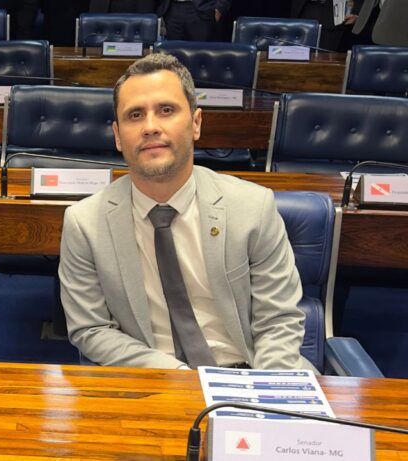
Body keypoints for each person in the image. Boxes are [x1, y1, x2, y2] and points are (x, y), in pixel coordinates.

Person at [58, 53, 313, 371]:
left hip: (252, 369)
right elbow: (91, 329)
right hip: (154, 379)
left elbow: (278, 322)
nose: (150, 127)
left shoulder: (253, 207)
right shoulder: (84, 222)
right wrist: (179, 380)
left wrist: (257, 397)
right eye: (135, 115)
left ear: (196, 123)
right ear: (118, 135)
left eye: (166, 110)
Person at [156, 0, 230, 41]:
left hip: (203, 10)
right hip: (172, 9)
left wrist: (220, 8)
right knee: (174, 57)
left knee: (200, 55)